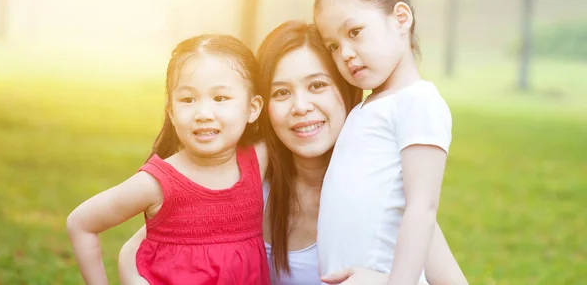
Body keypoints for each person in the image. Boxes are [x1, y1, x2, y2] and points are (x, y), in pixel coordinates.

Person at [118, 21, 466, 285]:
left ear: (346, 92)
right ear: (259, 107)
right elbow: (134, 251)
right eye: (281, 93)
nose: (301, 107)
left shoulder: (382, 189)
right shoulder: (242, 179)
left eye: (317, 86)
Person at [66, 35, 270, 285]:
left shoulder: (257, 160)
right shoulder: (156, 183)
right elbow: (81, 223)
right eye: (187, 99)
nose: (203, 114)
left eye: (220, 98)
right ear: (172, 112)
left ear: (253, 108)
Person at [314, 0, 461, 285]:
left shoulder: (417, 101)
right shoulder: (364, 109)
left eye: (355, 32)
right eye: (333, 46)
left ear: (400, 19)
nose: (346, 54)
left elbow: (422, 209)